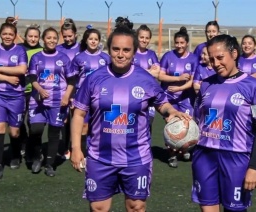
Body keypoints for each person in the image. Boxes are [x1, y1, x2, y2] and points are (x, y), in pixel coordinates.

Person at [70, 23, 190, 212]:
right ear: (109, 49)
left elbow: (161, 103)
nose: (120, 54)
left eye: (126, 50)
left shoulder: (145, 79)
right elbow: (78, 113)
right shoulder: (93, 79)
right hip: (100, 157)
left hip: (136, 157)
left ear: (134, 52)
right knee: (98, 208)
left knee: (136, 207)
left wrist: (171, 112)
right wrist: (76, 148)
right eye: (116, 49)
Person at [192, 34, 256, 212]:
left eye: (220, 57)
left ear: (234, 54)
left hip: (236, 159)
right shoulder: (205, 85)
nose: (215, 63)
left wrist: (254, 167)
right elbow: (197, 121)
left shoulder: (253, 87)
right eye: (212, 59)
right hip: (205, 156)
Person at [27, 27, 77, 177]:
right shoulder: (36, 57)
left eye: (54, 38)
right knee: (35, 130)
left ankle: (50, 163)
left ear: (57, 40)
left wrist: (67, 96)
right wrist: (40, 90)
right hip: (38, 101)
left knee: (54, 133)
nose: (52, 40)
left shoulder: (64, 58)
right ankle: (37, 157)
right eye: (48, 38)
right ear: (43, 39)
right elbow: (32, 78)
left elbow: (72, 80)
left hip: (58, 101)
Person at [0, 22, 28, 179]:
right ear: (0, 34)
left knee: (15, 132)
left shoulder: (20, 50)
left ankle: (15, 155)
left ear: (15, 35)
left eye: (10, 34)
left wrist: (0, 68)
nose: (7, 36)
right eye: (5, 34)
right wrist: (7, 78)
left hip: (16, 96)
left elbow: (22, 69)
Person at [158, 26, 199, 168]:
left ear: (187, 43)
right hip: (168, 98)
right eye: (177, 43)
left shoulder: (194, 59)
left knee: (187, 124)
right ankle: (172, 155)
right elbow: (160, 76)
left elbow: (193, 81)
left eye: (182, 43)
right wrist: (178, 78)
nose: (179, 45)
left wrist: (180, 87)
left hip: (185, 98)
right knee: (171, 126)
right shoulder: (168, 56)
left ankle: (184, 148)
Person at [70, 27, 110, 156]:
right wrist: (71, 96)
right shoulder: (79, 58)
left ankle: (99, 153)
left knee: (100, 126)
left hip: (101, 97)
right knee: (84, 126)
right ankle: (82, 154)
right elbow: (72, 79)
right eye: (91, 39)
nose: (93, 41)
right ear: (86, 40)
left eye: (96, 39)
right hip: (83, 97)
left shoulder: (105, 58)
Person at [18, 24, 43, 160]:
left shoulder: (42, 51)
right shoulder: (19, 49)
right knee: (18, 120)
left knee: (32, 122)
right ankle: (23, 143)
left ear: (39, 38)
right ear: (25, 37)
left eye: (36, 36)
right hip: (19, 91)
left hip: (35, 92)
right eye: (30, 36)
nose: (33, 39)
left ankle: (33, 149)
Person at [56, 18, 80, 160]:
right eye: (65, 36)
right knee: (64, 120)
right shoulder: (59, 49)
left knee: (77, 118)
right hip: (62, 90)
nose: (67, 39)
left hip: (78, 90)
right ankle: (65, 147)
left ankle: (77, 147)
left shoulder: (82, 48)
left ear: (75, 34)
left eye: (70, 36)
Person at [133, 24, 160, 129]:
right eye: (142, 37)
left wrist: (139, 70)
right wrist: (149, 70)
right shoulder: (132, 52)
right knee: (135, 124)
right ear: (137, 37)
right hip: (134, 93)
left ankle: (147, 145)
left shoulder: (152, 54)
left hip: (149, 94)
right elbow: (131, 72)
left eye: (147, 38)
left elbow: (157, 73)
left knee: (148, 125)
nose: (144, 40)